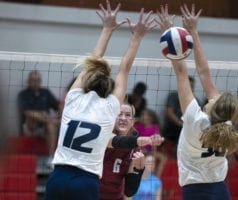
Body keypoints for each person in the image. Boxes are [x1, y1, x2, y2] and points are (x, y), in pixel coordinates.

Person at [43, 1, 163, 199]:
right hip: (86, 181)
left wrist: (107, 28)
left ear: (88, 81)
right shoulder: (109, 108)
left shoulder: (72, 100)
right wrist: (137, 36)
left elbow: (93, 61)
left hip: (59, 176)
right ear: (109, 90)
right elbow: (124, 68)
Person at [156, 4, 238, 200]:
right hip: (220, 191)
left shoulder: (195, 119)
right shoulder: (226, 124)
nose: (213, 97)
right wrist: (194, 32)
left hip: (196, 192)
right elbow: (204, 73)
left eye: (217, 99)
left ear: (216, 107)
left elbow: (182, 71)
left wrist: (168, 33)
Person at [100, 102, 145, 200]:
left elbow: (129, 192)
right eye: (119, 114)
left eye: (128, 115)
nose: (123, 118)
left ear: (132, 121)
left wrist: (139, 169)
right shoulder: (103, 138)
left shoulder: (135, 150)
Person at [18, 70, 60, 163]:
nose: (35, 82)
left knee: (51, 125)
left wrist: (60, 114)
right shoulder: (23, 94)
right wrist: (44, 116)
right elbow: (26, 112)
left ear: (40, 81)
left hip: (45, 127)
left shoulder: (46, 92)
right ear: (28, 81)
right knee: (31, 116)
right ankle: (48, 120)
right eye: (33, 80)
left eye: (37, 80)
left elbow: (58, 106)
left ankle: (51, 158)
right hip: (30, 127)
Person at [162, 75, 196, 158]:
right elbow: (169, 112)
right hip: (171, 129)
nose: (190, 88)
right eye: (189, 86)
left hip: (185, 130)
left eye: (192, 86)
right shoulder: (174, 96)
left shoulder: (195, 100)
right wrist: (181, 124)